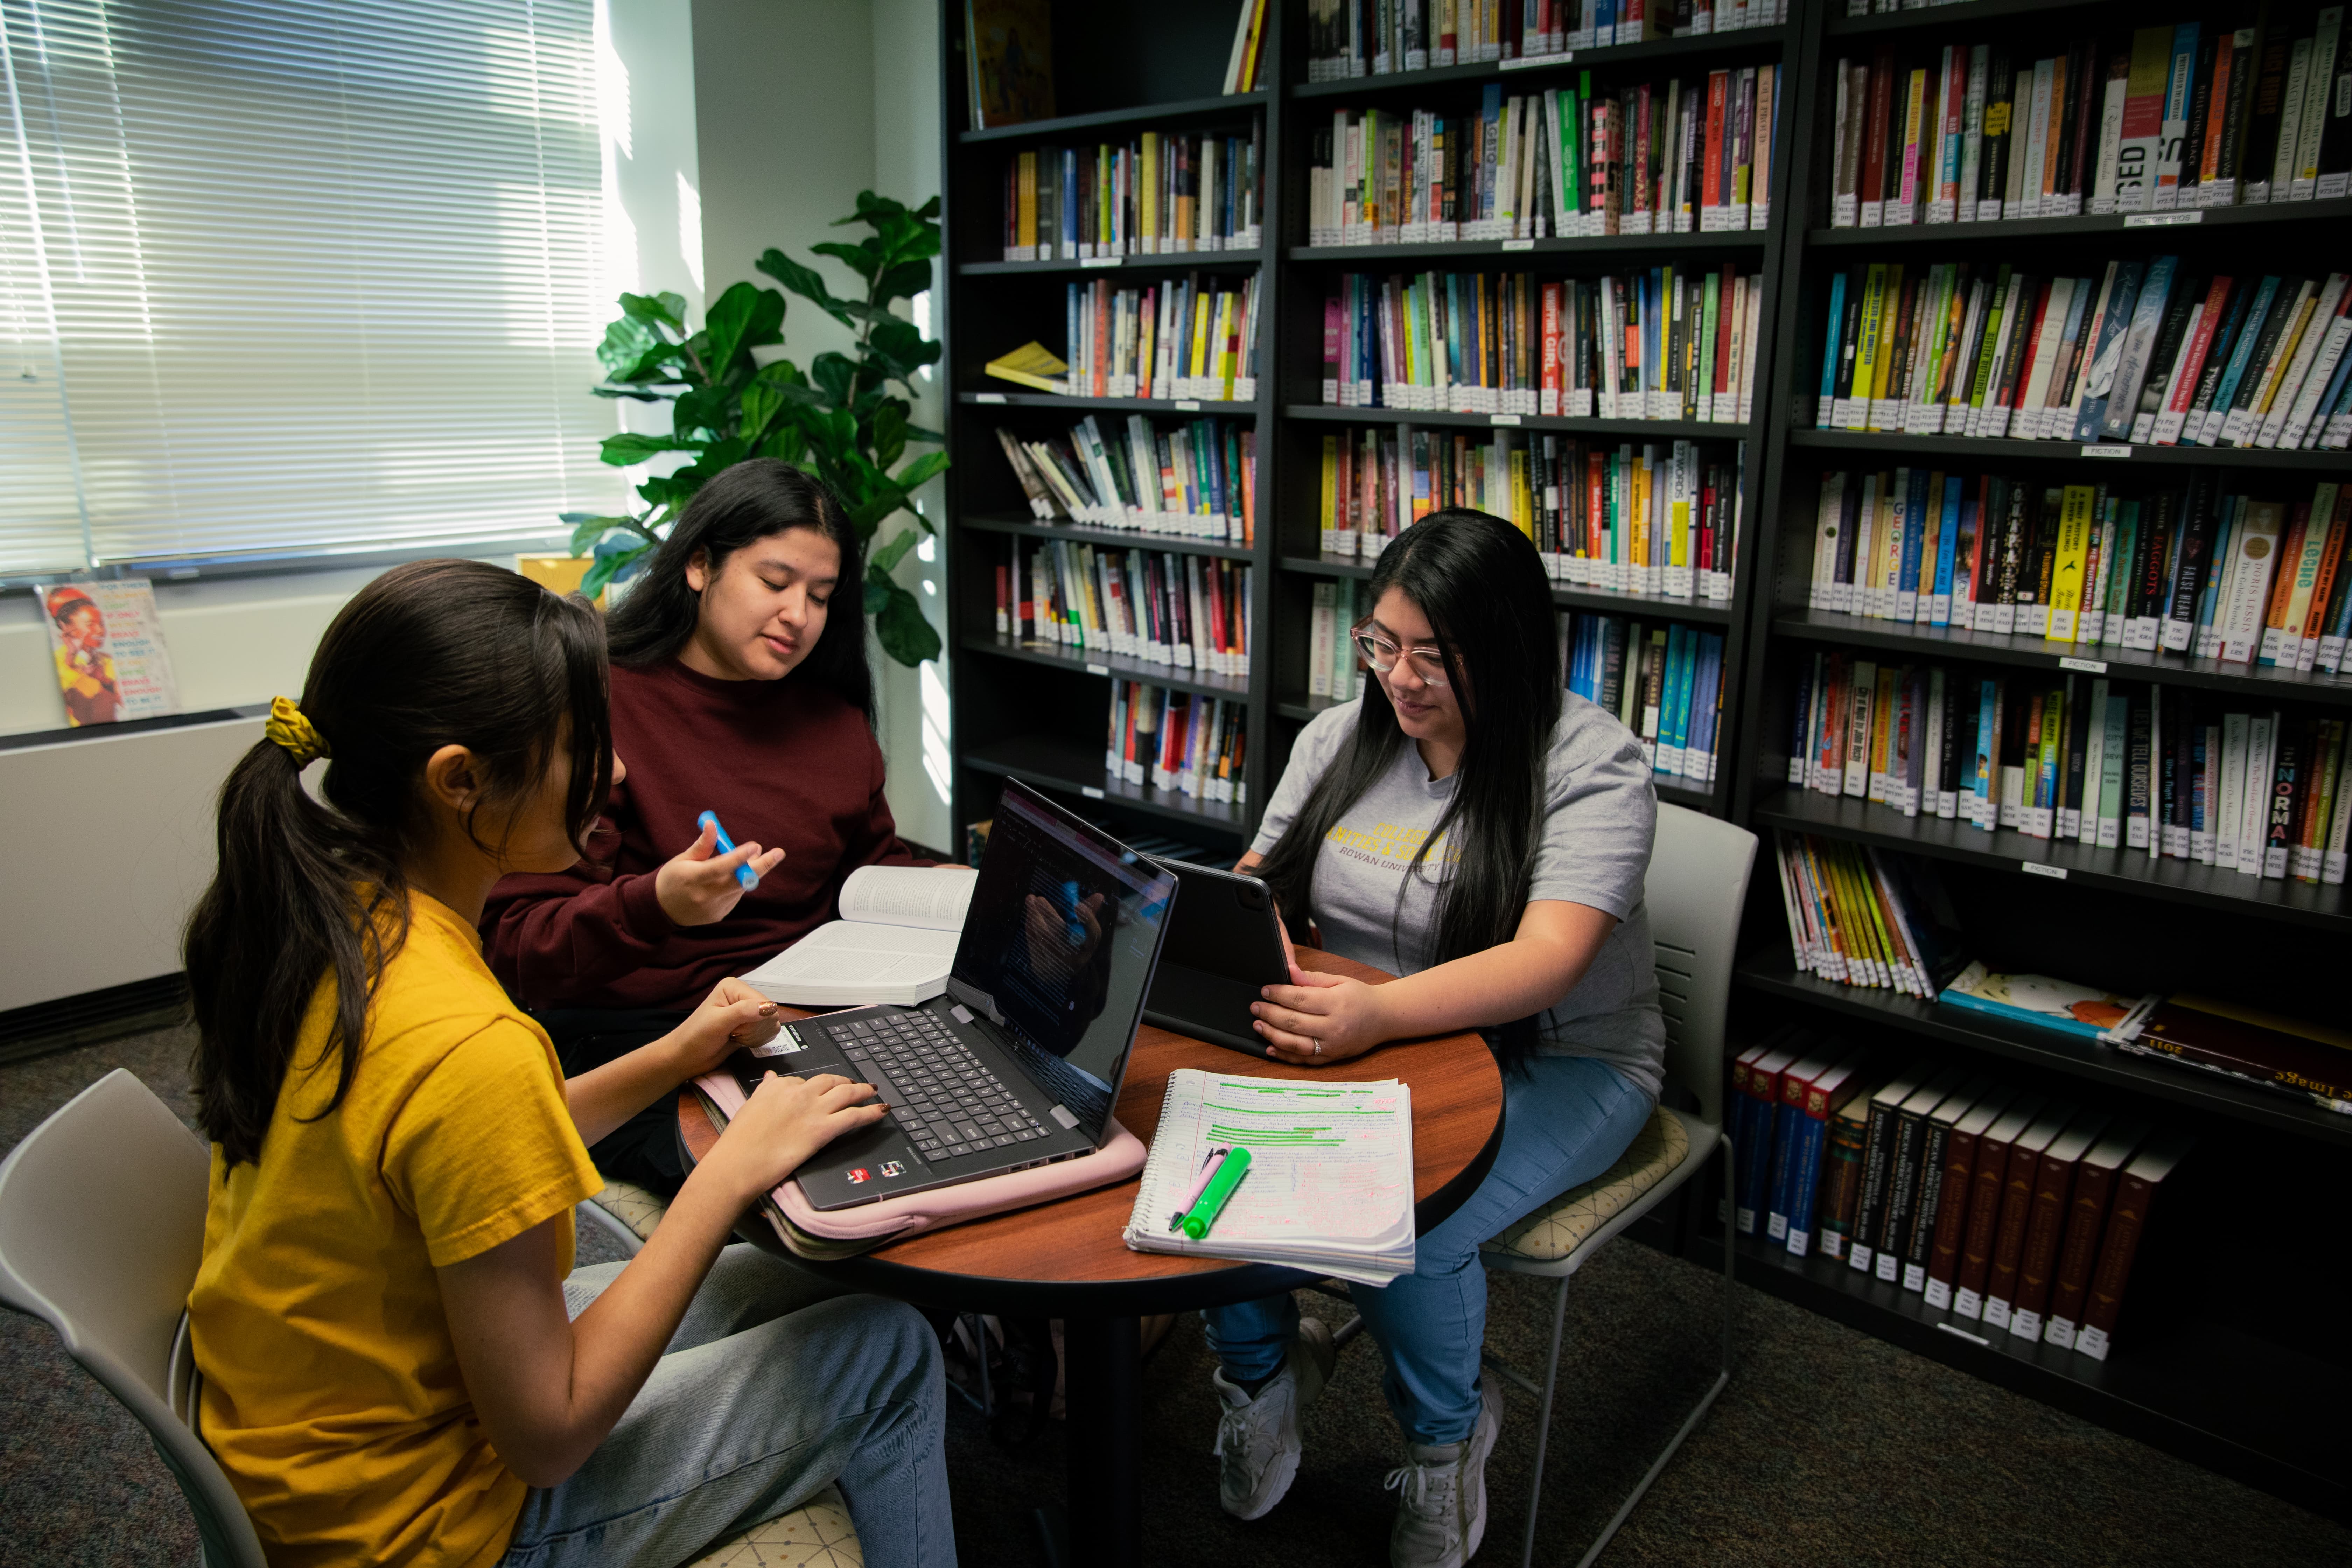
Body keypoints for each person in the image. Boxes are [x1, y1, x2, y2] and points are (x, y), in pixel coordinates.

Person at [183, 559, 955, 1568]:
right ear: (460, 780)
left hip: (338, 1427)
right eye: (585, 748)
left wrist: (678, 1054)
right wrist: (726, 1175)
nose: (621, 776)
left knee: (817, 1278)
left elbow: (454, 1147)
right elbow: (546, 1434)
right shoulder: (468, 1041)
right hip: (430, 1526)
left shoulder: (339, 921)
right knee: (887, 1351)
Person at [1201, 510, 1662, 1568]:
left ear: (1504, 646)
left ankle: (1445, 1451)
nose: (1400, 679)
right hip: (1378, 1041)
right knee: (1205, 1149)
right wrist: (1235, 922)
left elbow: (1548, 959)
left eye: (1433, 655)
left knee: (1408, 1223)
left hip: (1562, 1055)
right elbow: (1258, 882)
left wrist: (1376, 1015)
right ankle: (1264, 1381)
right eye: (1381, 645)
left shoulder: (1590, 763)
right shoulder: (1341, 735)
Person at [483, 460, 957, 1194]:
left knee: (959, 1128)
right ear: (700, 564)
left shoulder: (832, 719)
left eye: (822, 596)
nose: (799, 614)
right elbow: (520, 942)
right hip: (646, 1041)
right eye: (775, 583)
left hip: (803, 1021)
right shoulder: (599, 705)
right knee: (836, 1176)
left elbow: (866, 875)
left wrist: (949, 888)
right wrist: (658, 903)